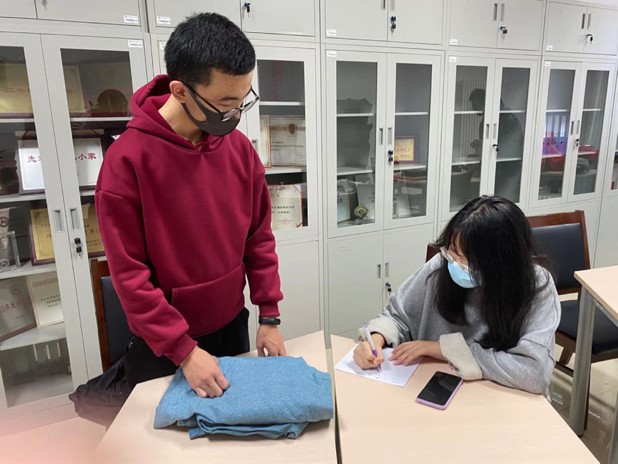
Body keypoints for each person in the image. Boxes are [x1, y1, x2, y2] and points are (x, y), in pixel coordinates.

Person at [95, 12, 286, 400]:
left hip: (231, 323)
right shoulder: (127, 161)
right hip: (165, 344)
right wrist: (183, 351)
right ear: (180, 91)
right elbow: (130, 277)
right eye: (225, 103)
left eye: (243, 99)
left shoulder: (238, 149)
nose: (235, 114)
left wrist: (269, 315)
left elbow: (259, 238)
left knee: (237, 424)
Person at [353, 195, 560, 395]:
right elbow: (397, 317)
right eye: (452, 251)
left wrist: (445, 349)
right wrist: (376, 338)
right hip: (434, 386)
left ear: (500, 262)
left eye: (467, 259)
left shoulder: (535, 286)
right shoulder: (443, 265)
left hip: (501, 399)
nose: (455, 263)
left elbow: (534, 373)